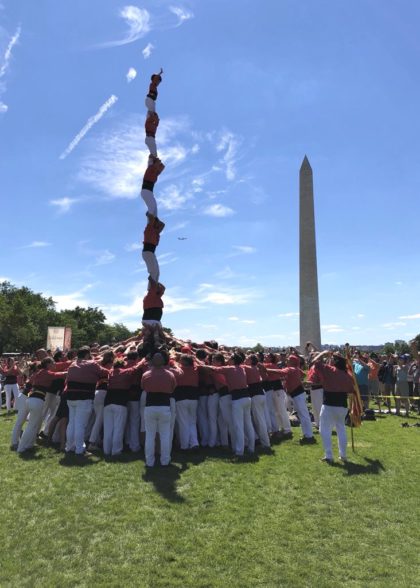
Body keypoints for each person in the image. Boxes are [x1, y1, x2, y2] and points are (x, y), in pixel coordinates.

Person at [311, 351, 355, 464]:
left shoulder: (330, 370)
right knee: (341, 429)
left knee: (324, 430)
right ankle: (343, 455)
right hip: (342, 406)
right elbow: (351, 390)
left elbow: (314, 361)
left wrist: (323, 353)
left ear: (335, 362)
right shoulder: (348, 375)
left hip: (329, 405)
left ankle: (329, 455)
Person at [65, 346, 109, 456]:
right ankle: (80, 449)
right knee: (80, 425)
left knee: (72, 423)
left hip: (70, 397)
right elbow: (105, 372)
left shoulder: (72, 364)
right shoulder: (92, 364)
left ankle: (69, 446)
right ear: (87, 355)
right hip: (84, 398)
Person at [17, 358, 68, 453]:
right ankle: (21, 448)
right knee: (32, 426)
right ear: (48, 364)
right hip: (37, 400)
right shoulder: (46, 373)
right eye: (53, 363)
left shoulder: (39, 372)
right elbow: (59, 375)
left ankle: (28, 445)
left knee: (33, 425)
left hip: (31, 399)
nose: (54, 364)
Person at [210, 353, 255, 457]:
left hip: (237, 398)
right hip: (246, 397)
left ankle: (239, 451)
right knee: (248, 424)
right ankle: (251, 448)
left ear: (234, 360)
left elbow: (214, 369)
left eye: (230, 359)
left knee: (238, 425)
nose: (228, 360)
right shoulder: (242, 368)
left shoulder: (230, 368)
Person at [266, 355, 316, 444]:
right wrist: (300, 381)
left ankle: (309, 436)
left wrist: (266, 369)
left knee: (303, 415)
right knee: (303, 414)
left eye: (288, 359)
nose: (286, 360)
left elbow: (280, 372)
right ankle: (307, 435)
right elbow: (304, 374)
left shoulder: (291, 368)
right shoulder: (295, 369)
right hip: (297, 393)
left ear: (292, 361)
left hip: (297, 394)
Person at [141, 350, 178, 467]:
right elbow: (173, 388)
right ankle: (165, 461)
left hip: (150, 407)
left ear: (151, 361)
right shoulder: (170, 374)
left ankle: (149, 461)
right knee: (165, 435)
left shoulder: (146, 374)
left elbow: (144, 388)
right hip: (164, 406)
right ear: (164, 361)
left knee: (150, 436)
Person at [103, 357, 144, 457]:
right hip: (120, 402)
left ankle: (106, 450)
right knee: (118, 428)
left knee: (108, 428)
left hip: (108, 402)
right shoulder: (125, 372)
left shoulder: (110, 373)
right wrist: (143, 360)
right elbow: (136, 368)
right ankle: (116, 451)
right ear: (123, 365)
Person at [88, 351, 114, 451]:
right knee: (99, 419)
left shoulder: (100, 365)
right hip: (103, 393)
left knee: (95, 418)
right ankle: (92, 442)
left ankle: (93, 439)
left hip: (97, 392)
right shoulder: (109, 367)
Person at [173, 354, 200, 450]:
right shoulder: (195, 369)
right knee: (192, 421)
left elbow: (174, 363)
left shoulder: (178, 370)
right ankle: (194, 443)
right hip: (194, 398)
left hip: (181, 397)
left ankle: (184, 445)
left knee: (183, 422)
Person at [142, 217, 165, 284]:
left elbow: (163, 225)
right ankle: (152, 288)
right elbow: (151, 216)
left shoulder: (156, 232)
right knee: (154, 272)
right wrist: (151, 216)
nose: (159, 226)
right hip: (147, 252)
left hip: (150, 252)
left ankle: (153, 287)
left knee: (157, 273)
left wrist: (156, 219)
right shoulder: (149, 229)